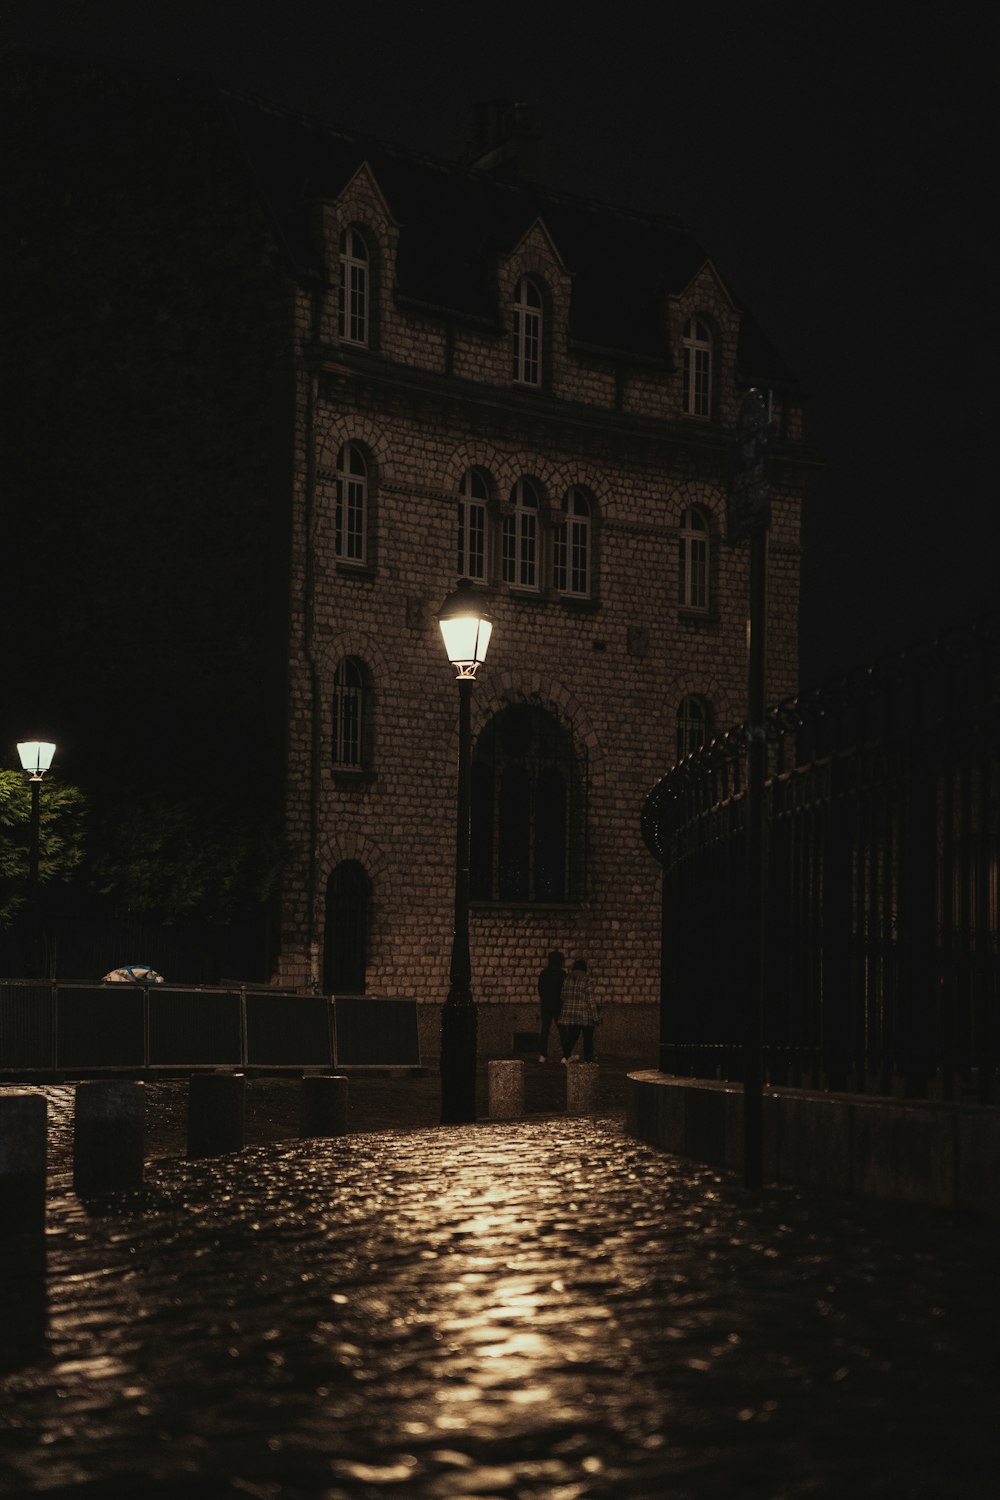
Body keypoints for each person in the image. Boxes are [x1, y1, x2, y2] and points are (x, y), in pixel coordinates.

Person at [558, 958, 599, 1063]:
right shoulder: (587, 980)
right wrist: (596, 1017)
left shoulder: (567, 980)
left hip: (571, 1014)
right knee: (587, 1038)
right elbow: (590, 1000)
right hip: (585, 1014)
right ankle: (588, 1059)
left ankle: (565, 1056)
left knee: (572, 1036)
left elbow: (562, 996)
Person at [537, 950, 565, 1061]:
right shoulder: (562, 974)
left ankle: (542, 1055)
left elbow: (540, 988)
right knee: (563, 1031)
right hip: (559, 1005)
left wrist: (545, 999)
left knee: (545, 1030)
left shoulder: (544, 973)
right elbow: (564, 990)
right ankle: (565, 1055)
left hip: (546, 1005)